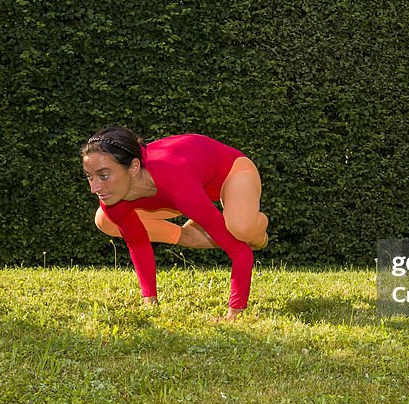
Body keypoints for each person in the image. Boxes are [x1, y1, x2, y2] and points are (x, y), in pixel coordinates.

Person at [81, 126, 269, 321]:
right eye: (89, 176)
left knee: (240, 229)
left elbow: (240, 252)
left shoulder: (178, 186)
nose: (94, 188)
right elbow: (137, 242)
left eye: (104, 176)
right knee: (104, 218)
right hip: (176, 189)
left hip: (231, 172)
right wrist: (149, 301)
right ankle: (193, 234)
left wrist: (234, 313)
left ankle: (258, 230)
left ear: (134, 167)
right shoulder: (113, 195)